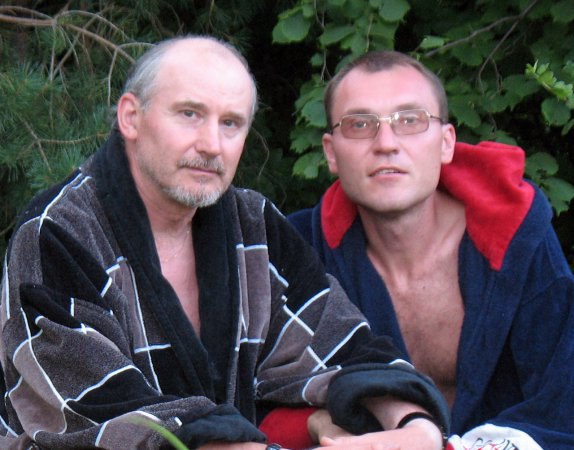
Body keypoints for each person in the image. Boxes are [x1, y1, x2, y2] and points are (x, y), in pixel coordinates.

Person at [0, 37, 450, 449]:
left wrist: (415, 427)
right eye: (189, 114)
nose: (212, 144)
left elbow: (337, 346)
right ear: (131, 118)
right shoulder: (58, 233)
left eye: (231, 123)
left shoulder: (253, 224)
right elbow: (113, 416)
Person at [288, 50, 574, 450]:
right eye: (360, 124)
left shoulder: (516, 237)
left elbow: (563, 404)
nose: (386, 144)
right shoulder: (297, 249)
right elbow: (254, 394)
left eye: (410, 120)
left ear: (446, 143)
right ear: (331, 153)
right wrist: (315, 422)